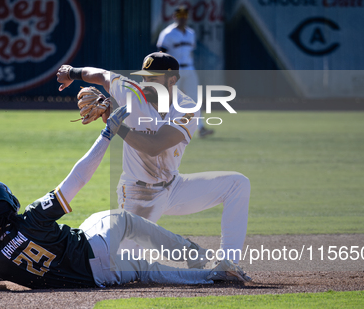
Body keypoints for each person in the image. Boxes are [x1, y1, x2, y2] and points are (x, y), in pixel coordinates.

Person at [0, 106, 251, 289]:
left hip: (98, 280)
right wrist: (107, 132)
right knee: (123, 220)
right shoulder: (34, 217)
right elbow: (78, 178)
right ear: (11, 201)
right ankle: (201, 259)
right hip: (95, 250)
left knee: (144, 269)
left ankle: (212, 276)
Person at [56, 52, 251, 272]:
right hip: (138, 194)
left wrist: (116, 125)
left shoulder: (186, 108)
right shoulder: (130, 90)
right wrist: (71, 73)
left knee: (238, 183)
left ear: (172, 80)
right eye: (145, 76)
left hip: (173, 187)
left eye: (154, 78)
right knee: (123, 268)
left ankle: (228, 263)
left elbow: (155, 146)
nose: (147, 83)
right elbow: (101, 76)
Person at [157, 5, 214, 138]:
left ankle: (201, 128)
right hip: (173, 71)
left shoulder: (190, 33)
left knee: (194, 99)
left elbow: (190, 53)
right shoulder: (167, 33)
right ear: (174, 17)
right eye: (180, 16)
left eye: (184, 17)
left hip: (189, 68)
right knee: (170, 99)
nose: (182, 19)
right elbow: (161, 53)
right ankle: (161, 126)